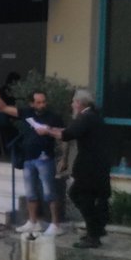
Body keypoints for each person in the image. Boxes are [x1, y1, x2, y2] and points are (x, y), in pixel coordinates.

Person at [0, 81, 65, 235]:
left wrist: (64, 157)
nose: (42, 105)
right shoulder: (27, 113)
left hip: (45, 157)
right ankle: (33, 222)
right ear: (32, 103)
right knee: (30, 192)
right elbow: (3, 108)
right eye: (38, 102)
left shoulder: (53, 117)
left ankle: (56, 224)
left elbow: (64, 135)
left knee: (49, 191)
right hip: (29, 157)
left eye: (43, 101)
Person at [41, 89, 110, 248]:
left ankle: (94, 234)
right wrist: (51, 130)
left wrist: (47, 131)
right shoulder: (92, 116)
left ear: (79, 103)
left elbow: (67, 135)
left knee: (79, 195)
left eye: (73, 102)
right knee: (89, 198)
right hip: (97, 165)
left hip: (90, 167)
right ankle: (96, 230)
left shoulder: (86, 117)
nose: (72, 104)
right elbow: (70, 132)